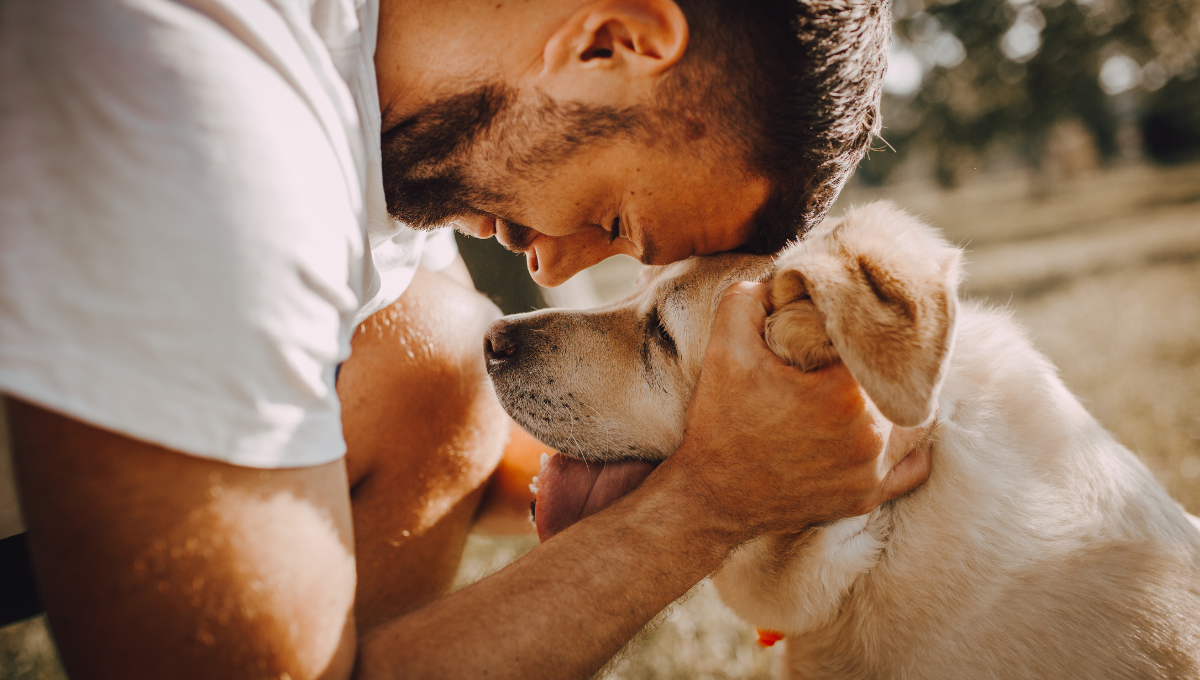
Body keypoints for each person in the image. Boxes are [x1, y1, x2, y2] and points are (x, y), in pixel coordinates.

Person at [0, 0, 931, 677]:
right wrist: (710, 504)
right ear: (612, 41)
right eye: (612, 217)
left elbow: (464, 440)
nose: (556, 272)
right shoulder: (208, 114)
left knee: (436, 356)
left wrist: (771, 455)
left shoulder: (380, 101)